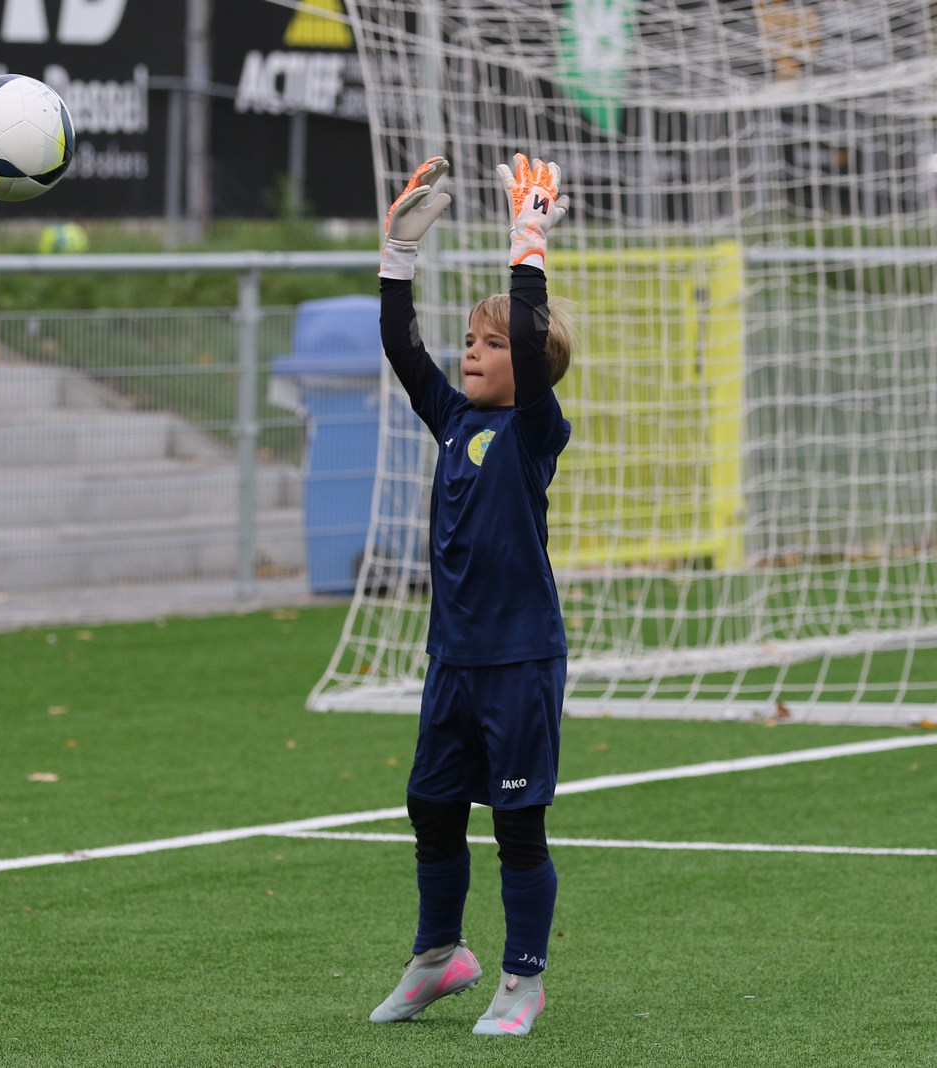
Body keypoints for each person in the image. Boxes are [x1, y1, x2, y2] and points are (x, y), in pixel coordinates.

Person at [367, 153, 574, 1037]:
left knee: (517, 826)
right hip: (451, 661)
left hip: (519, 663)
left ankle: (523, 980)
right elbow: (403, 350)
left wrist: (527, 243)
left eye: (489, 344)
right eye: (471, 340)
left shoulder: (533, 431)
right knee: (431, 808)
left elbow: (529, 336)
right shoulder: (454, 419)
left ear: (529, 366)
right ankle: (439, 956)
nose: (471, 352)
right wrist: (397, 257)